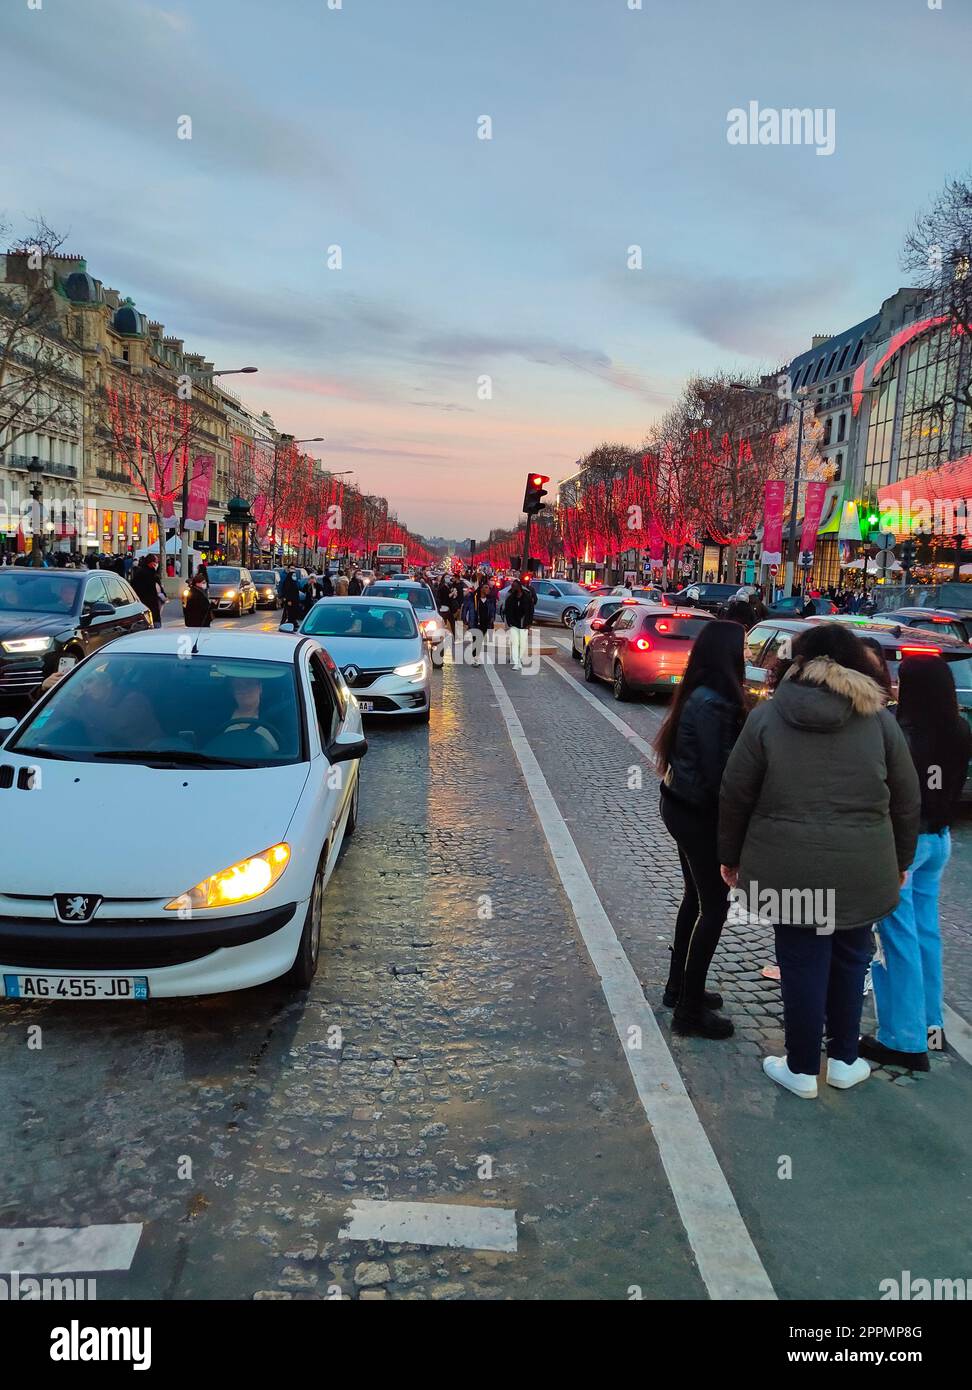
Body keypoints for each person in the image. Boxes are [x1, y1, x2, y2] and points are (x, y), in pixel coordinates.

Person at [719, 623, 921, 1099]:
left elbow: (734, 793)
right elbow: (908, 800)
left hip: (790, 871)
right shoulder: (879, 721)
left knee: (801, 963)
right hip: (862, 868)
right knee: (853, 961)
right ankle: (845, 1061)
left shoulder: (767, 717)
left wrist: (729, 857)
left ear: (797, 663)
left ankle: (802, 1067)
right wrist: (900, 860)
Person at [863, 656, 971, 1071]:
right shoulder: (958, 727)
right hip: (939, 839)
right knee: (926, 936)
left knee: (897, 940)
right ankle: (931, 1027)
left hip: (905, 844)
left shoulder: (903, 732)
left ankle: (904, 1040)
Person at [654, 621, 748, 1038]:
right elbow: (718, 774)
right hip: (697, 813)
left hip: (679, 805)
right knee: (715, 907)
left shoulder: (697, 693)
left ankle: (680, 987)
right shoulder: (714, 702)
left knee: (695, 898)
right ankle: (689, 1011)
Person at [504, 577, 536, 672]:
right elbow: (507, 611)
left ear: (519, 587)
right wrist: (509, 622)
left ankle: (519, 658)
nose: (513, 588)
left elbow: (531, 611)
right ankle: (516, 662)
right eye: (512, 586)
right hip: (514, 623)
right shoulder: (510, 598)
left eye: (514, 586)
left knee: (522, 643)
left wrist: (529, 623)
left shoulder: (527, 597)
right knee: (515, 643)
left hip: (524, 623)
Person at [461, 578, 495, 666]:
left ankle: (475, 657)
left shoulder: (490, 600)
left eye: (488, 588)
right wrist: (464, 619)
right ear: (481, 589)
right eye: (486, 587)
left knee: (479, 640)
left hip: (484, 623)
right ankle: (475, 658)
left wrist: (491, 621)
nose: (488, 589)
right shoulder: (473, 598)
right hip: (474, 622)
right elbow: (465, 608)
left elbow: (492, 611)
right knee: (476, 639)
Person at [131, 554, 166, 628]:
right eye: (156, 562)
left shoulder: (149, 573)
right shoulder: (146, 574)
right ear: (151, 562)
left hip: (149, 603)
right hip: (148, 603)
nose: (157, 564)